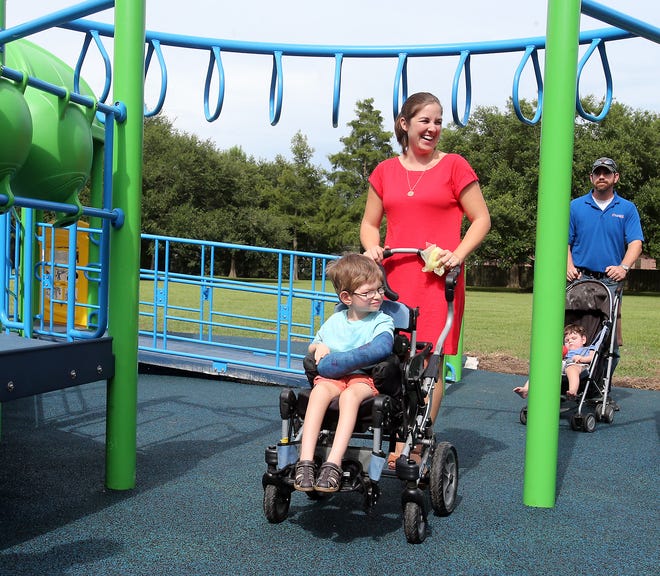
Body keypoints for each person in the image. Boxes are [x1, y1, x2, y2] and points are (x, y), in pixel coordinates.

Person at [360, 92, 490, 431]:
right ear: (405, 124)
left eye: (438, 122)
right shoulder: (385, 171)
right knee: (390, 355)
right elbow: (369, 225)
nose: (433, 128)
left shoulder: (454, 166)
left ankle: (417, 439)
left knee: (429, 361)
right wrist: (372, 247)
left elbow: (481, 219)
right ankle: (387, 430)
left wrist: (456, 255)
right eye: (425, 121)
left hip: (437, 280)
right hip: (393, 281)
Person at [294, 253, 395, 493]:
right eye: (368, 292)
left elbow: (382, 347)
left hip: (363, 377)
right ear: (346, 297)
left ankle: (333, 463)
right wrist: (319, 347)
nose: (377, 296)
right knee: (318, 393)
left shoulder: (382, 321)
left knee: (350, 397)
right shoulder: (336, 320)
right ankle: (305, 462)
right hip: (332, 378)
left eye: (379, 289)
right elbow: (313, 345)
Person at [566, 157, 644, 370]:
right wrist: (568, 266)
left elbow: (636, 243)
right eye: (597, 173)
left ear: (615, 177)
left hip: (609, 282)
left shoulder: (627, 209)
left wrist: (624, 267)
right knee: (570, 333)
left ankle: (600, 389)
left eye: (607, 173)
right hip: (579, 279)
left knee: (607, 338)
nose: (602, 176)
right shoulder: (576, 206)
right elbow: (565, 242)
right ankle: (569, 384)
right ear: (591, 177)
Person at [513, 324, 596, 400]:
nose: (570, 341)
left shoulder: (588, 349)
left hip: (579, 366)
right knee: (542, 368)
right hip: (563, 365)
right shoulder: (565, 350)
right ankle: (526, 389)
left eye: (574, 338)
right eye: (567, 340)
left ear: (583, 339)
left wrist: (582, 359)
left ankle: (573, 391)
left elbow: (592, 357)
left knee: (571, 369)